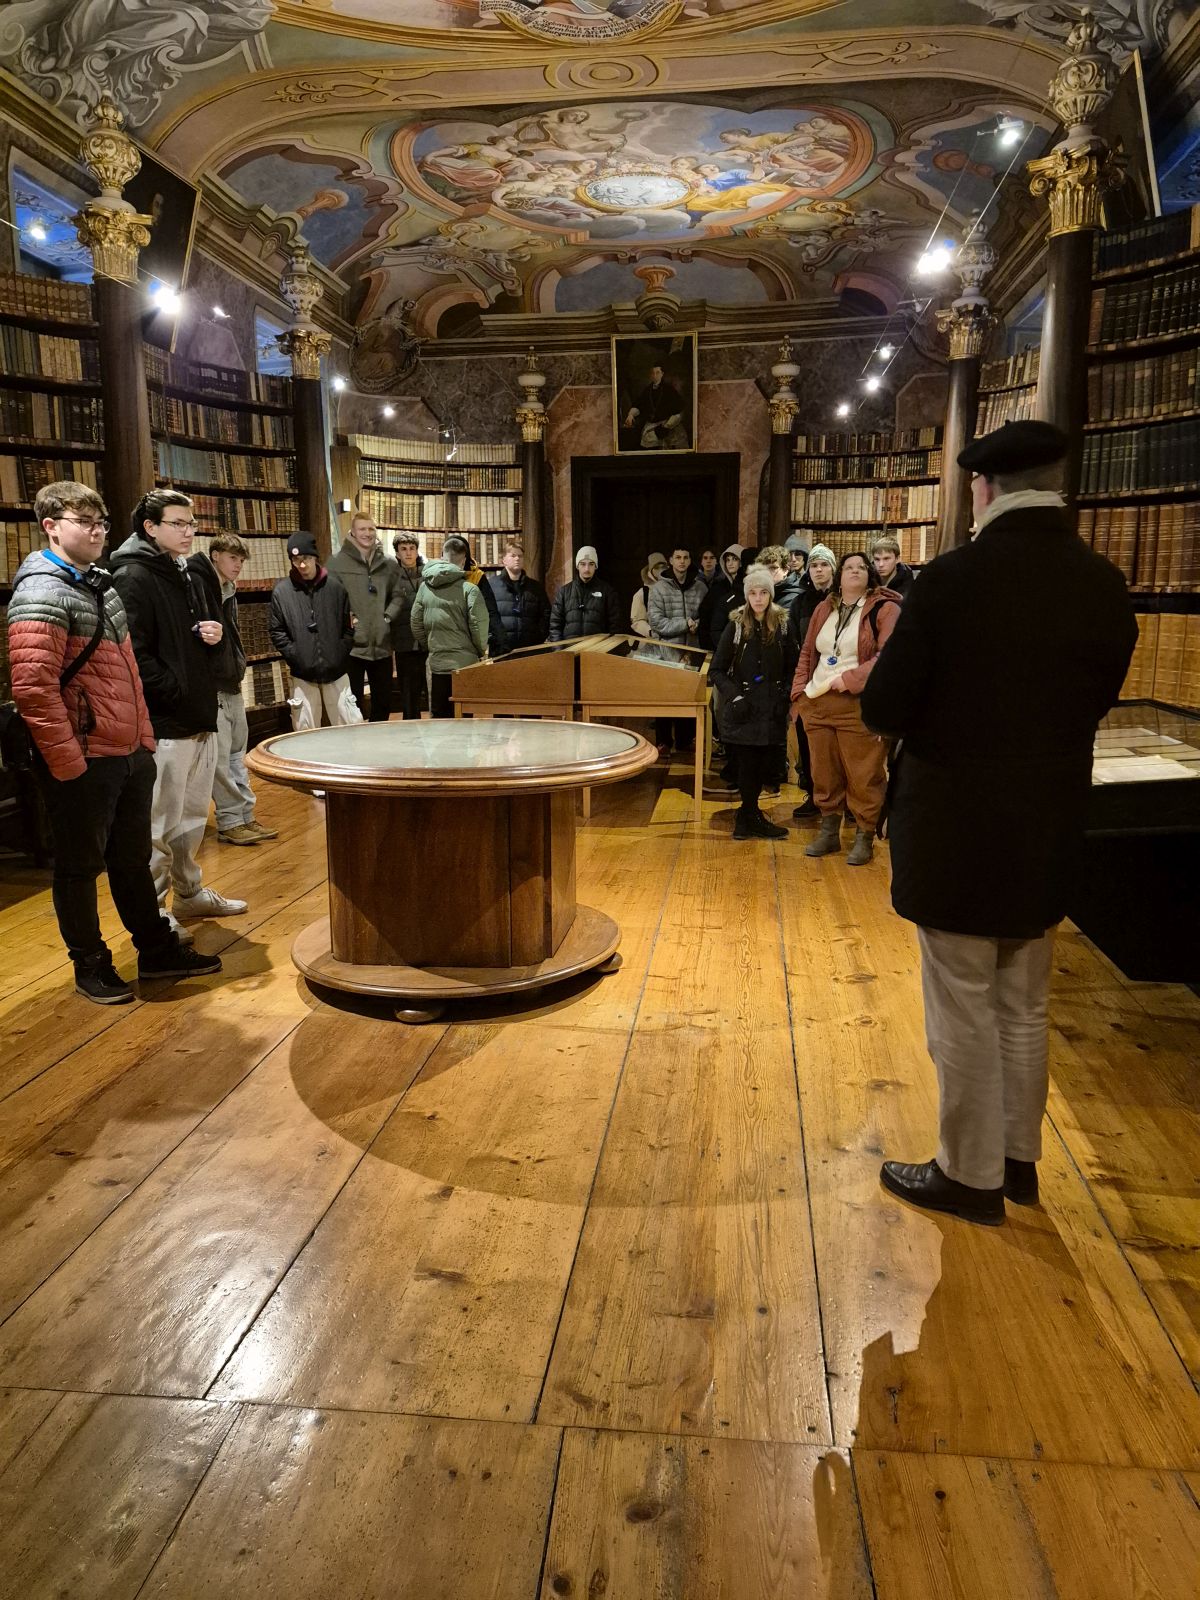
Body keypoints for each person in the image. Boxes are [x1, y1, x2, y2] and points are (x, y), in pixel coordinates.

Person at [861, 421, 1137, 1227]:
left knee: (963, 1002)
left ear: (982, 489)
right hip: (1049, 819)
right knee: (1023, 999)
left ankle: (967, 1174)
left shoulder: (952, 580)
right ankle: (1018, 1161)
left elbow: (885, 706)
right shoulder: (1103, 582)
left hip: (957, 825)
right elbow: (1100, 696)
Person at [8, 481, 220, 1003]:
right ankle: (91, 963)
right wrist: (69, 763)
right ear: (51, 526)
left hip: (126, 750)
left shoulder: (99, 584)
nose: (97, 532)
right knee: (80, 868)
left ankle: (156, 950)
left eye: (101, 523)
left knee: (131, 859)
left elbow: (128, 670)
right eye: (84, 522)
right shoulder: (41, 592)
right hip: (82, 758)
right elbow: (33, 688)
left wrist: (142, 739)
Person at [112, 489, 248, 937]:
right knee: (159, 823)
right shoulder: (132, 575)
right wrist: (175, 691)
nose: (189, 532)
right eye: (178, 524)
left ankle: (189, 893)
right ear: (150, 527)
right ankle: (154, 912)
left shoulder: (185, 569)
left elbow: (190, 635)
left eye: (192, 524)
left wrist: (213, 636)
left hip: (198, 712)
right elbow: (134, 652)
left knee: (191, 818)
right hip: (166, 720)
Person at [791, 550, 900, 867]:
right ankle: (828, 831)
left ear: (870, 575)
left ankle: (864, 836)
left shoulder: (885, 608)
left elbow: (888, 656)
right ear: (839, 576)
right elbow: (807, 653)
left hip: (858, 703)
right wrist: (799, 694)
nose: (855, 571)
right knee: (823, 773)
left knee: (864, 774)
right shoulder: (824, 607)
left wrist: (850, 679)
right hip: (818, 701)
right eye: (849, 567)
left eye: (861, 567)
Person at [190, 532, 276, 846]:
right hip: (212, 684)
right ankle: (230, 821)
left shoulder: (228, 589)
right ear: (215, 555)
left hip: (230, 680)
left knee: (237, 754)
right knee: (220, 760)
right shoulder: (198, 583)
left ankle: (245, 815)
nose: (238, 565)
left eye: (241, 560)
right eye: (232, 558)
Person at [711, 565, 798, 841]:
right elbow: (717, 670)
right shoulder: (736, 626)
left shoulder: (783, 625)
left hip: (772, 709)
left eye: (763, 592)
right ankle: (749, 816)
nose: (758, 598)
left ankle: (748, 816)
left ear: (771, 595)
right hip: (745, 708)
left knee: (764, 765)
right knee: (747, 765)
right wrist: (735, 697)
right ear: (746, 595)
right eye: (753, 593)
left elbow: (793, 666)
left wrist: (785, 695)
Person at [269, 532, 361, 731]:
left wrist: (339, 653)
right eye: (296, 560)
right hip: (302, 673)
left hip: (337, 671)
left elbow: (349, 626)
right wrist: (296, 656)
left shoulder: (335, 587)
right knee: (305, 732)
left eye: (306, 558)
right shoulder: (282, 592)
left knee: (350, 728)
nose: (302, 565)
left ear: (315, 557)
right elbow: (277, 631)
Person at [328, 512, 401, 722]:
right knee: (352, 705)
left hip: (382, 646)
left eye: (371, 529)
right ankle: (354, 742)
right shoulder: (336, 563)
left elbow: (398, 595)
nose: (367, 533)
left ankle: (377, 742)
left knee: (383, 704)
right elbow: (330, 599)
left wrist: (387, 618)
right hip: (352, 647)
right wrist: (348, 622)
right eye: (362, 529)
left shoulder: (389, 563)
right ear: (352, 532)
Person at [410, 533, 490, 717]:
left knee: (439, 718)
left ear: (443, 557)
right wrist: (479, 651)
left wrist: (431, 645)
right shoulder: (470, 589)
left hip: (437, 663)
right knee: (463, 716)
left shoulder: (424, 587)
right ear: (463, 561)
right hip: (465, 665)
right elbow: (479, 627)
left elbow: (415, 623)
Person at [788, 542, 836, 820]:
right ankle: (814, 795)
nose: (818, 570)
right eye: (814, 565)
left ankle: (841, 798)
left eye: (824, 565)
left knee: (836, 744)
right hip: (808, 681)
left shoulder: (843, 599)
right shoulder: (800, 603)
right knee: (807, 742)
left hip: (836, 681)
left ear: (833, 568)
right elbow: (794, 643)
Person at [648, 545, 708, 756]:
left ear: (690, 561)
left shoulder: (700, 588)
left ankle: (684, 739)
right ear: (671, 561)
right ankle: (663, 741)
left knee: (689, 696)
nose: (682, 561)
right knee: (665, 697)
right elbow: (656, 621)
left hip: (691, 650)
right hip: (666, 652)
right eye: (678, 557)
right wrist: (685, 623)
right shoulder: (659, 588)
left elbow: (706, 615)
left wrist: (697, 624)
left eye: (686, 557)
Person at [487, 539, 551, 654]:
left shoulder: (535, 587)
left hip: (530, 650)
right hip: (501, 651)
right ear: (504, 560)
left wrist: (538, 638)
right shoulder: (491, 586)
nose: (517, 559)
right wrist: (495, 639)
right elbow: (485, 616)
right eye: (513, 555)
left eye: (520, 556)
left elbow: (546, 614)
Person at [390, 531, 427, 719]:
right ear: (397, 553)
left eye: (412, 548)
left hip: (428, 644)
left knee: (431, 695)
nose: (408, 552)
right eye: (403, 549)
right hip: (404, 645)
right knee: (409, 699)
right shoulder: (391, 578)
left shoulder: (429, 575)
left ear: (417, 551)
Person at [548, 546, 622, 640]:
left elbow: (615, 626)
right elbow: (555, 626)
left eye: (591, 564)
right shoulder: (564, 592)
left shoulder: (607, 591)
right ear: (577, 566)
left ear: (595, 566)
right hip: (570, 648)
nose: (587, 569)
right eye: (583, 564)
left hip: (597, 648)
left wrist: (608, 647)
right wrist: (559, 648)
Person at [623, 363, 688, 450]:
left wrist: (667, 425)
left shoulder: (669, 389)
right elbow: (639, 404)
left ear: (662, 374)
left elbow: (679, 409)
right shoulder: (647, 390)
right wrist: (631, 415)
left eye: (657, 373)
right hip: (651, 426)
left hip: (668, 425)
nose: (655, 375)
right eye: (653, 373)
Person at [462, 539, 507, 659]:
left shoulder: (477, 577)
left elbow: (490, 610)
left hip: (471, 643)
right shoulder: (437, 578)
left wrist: (499, 638)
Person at [631, 551, 668, 638]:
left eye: (663, 567)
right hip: (652, 640)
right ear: (651, 570)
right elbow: (637, 621)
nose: (661, 570)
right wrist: (650, 632)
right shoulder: (642, 593)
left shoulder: (674, 588)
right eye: (657, 567)